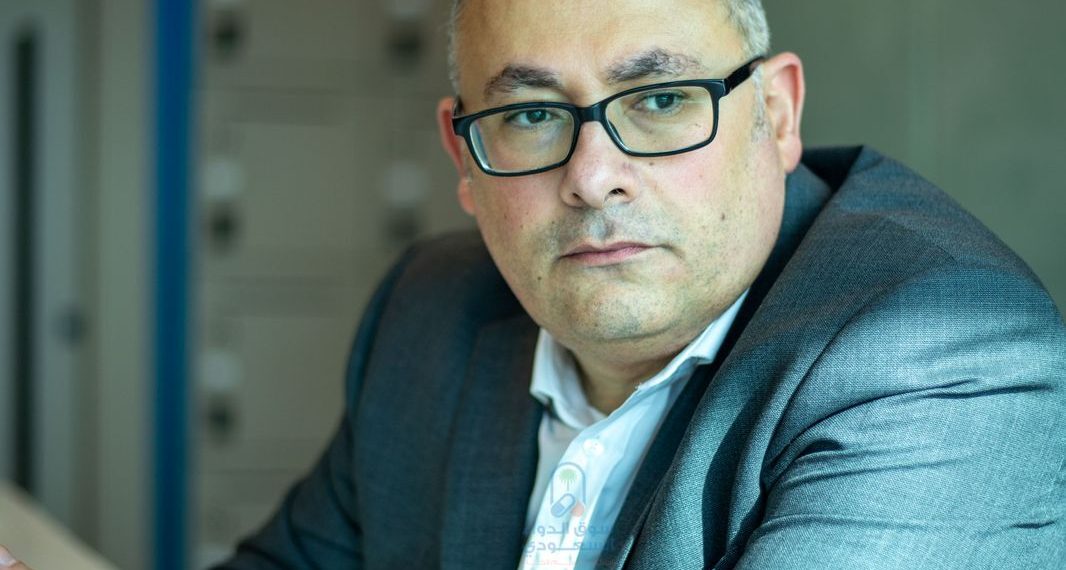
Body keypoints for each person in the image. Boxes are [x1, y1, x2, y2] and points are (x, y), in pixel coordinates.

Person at [211, 0, 1066, 568]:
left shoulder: (940, 358)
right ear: (462, 158)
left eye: (659, 100)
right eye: (531, 115)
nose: (593, 178)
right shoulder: (430, 311)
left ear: (775, 115)